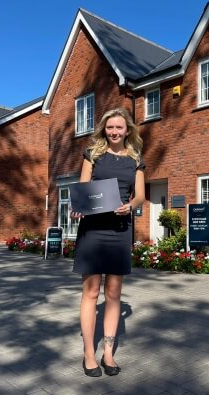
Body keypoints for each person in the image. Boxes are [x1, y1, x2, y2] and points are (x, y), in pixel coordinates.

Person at [71, 107, 145, 377]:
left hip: (119, 229)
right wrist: (78, 205)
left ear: (128, 130)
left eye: (119, 128)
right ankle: (88, 353)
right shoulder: (93, 154)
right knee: (91, 293)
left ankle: (109, 354)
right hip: (92, 230)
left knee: (113, 294)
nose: (114, 132)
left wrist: (130, 206)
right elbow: (82, 188)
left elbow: (139, 196)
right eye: (110, 128)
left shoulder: (136, 158)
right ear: (104, 129)